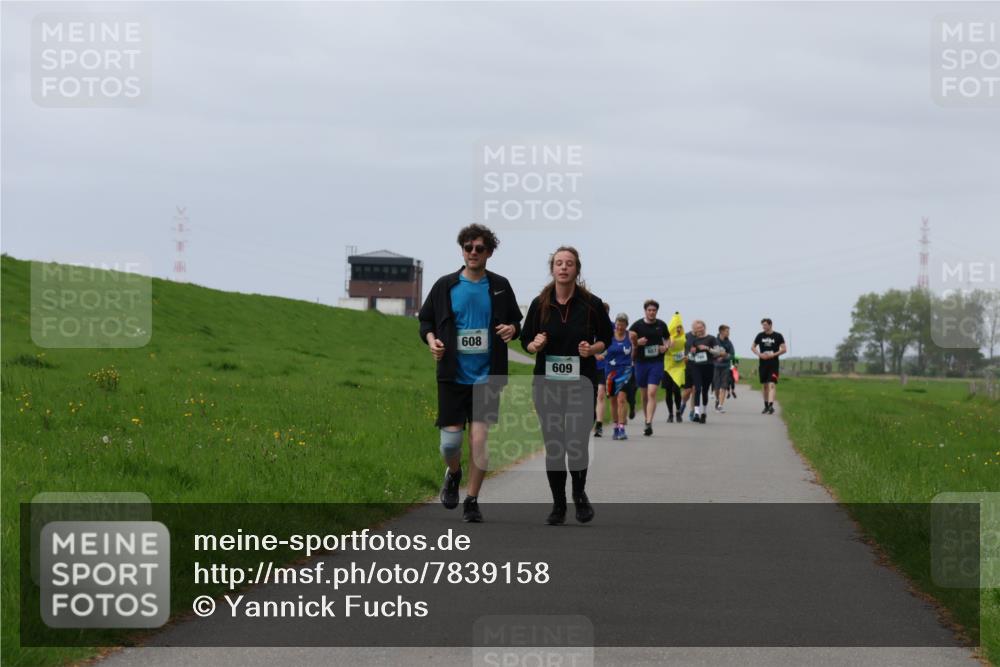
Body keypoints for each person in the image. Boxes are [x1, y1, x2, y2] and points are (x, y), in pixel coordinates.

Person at [418, 224, 523, 523]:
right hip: (452, 376)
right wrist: (432, 342)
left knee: (478, 441)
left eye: (479, 248)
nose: (473, 252)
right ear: (462, 250)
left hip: (487, 377)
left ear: (489, 252)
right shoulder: (445, 285)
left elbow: (517, 324)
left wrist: (512, 329)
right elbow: (426, 322)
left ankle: (472, 500)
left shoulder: (500, 285)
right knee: (450, 444)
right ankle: (454, 473)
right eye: (468, 247)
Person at [521, 247, 613, 525]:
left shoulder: (592, 304)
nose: (563, 268)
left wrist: (592, 349)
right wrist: (534, 344)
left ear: (577, 269)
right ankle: (558, 504)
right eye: (559, 263)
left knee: (576, 443)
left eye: (569, 264)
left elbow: (605, 338)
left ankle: (579, 493)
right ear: (552, 269)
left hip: (580, 383)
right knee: (554, 445)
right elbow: (525, 340)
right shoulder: (540, 303)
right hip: (547, 383)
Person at [628, 300, 669, 436]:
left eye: (654, 310)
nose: (652, 312)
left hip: (656, 362)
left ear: (657, 311)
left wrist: (666, 347)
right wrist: (636, 342)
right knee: (644, 395)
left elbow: (667, 339)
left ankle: (649, 422)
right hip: (641, 362)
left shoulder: (661, 325)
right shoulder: (637, 325)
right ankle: (646, 419)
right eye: (649, 310)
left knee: (652, 393)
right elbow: (626, 339)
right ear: (645, 311)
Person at [686, 319, 723, 424]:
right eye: (697, 328)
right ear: (695, 329)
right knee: (697, 389)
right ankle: (697, 413)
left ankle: (704, 412)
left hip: (708, 366)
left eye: (700, 327)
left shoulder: (712, 339)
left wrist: (707, 348)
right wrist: (691, 354)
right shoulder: (694, 341)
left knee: (705, 390)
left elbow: (718, 352)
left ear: (704, 327)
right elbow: (691, 355)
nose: (699, 330)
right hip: (696, 367)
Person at [604, 312, 634, 440]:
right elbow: (600, 348)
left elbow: (636, 347)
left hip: (625, 371)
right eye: (618, 324)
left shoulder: (631, 336)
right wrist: (598, 355)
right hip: (610, 372)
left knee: (622, 399)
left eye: (622, 325)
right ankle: (615, 427)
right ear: (615, 324)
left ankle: (622, 428)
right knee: (613, 401)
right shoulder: (608, 336)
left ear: (626, 325)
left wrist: (632, 360)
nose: (620, 327)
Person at [752, 318, 787, 415]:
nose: (764, 327)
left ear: (770, 325)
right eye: (762, 325)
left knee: (772, 383)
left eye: (765, 325)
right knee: (765, 385)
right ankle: (766, 405)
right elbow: (752, 347)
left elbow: (784, 349)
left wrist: (774, 354)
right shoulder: (760, 335)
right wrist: (759, 354)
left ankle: (771, 406)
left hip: (773, 364)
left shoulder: (778, 336)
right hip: (763, 363)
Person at [662, 311, 686, 424]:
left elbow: (688, 348)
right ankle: (670, 414)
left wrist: (687, 354)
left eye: (679, 327)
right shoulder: (667, 338)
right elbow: (662, 349)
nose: (678, 329)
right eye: (676, 327)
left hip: (679, 367)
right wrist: (667, 345)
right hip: (668, 366)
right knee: (668, 391)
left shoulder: (684, 338)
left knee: (676, 390)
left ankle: (678, 411)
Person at [593, 303, 611, 438]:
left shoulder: (612, 326)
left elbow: (616, 343)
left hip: (604, 365)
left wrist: (604, 355)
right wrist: (594, 353)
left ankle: (599, 425)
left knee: (600, 394)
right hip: (589, 365)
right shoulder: (589, 325)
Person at [713, 325, 736, 413]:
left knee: (724, 386)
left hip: (725, 367)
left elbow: (732, 355)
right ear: (721, 332)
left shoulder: (729, 343)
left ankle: (720, 406)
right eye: (727, 331)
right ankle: (717, 400)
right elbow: (710, 352)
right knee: (716, 387)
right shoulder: (714, 341)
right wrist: (716, 357)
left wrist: (724, 357)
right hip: (715, 367)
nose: (728, 333)